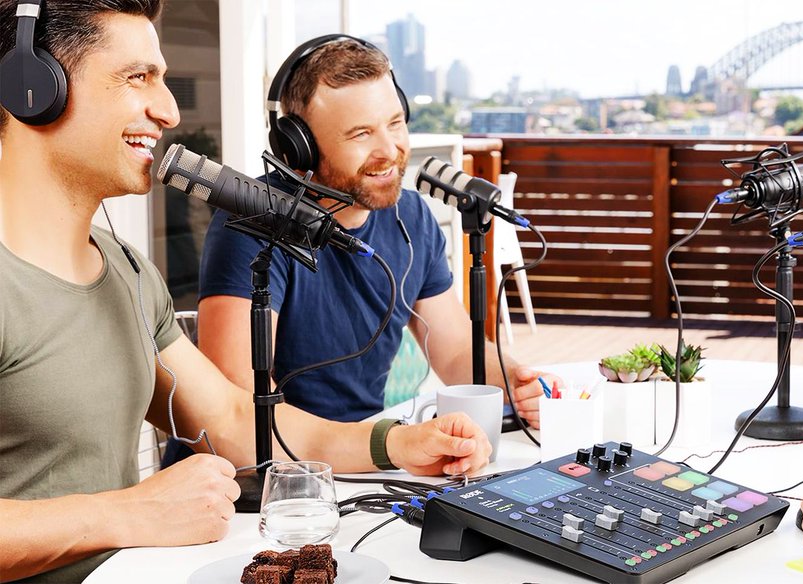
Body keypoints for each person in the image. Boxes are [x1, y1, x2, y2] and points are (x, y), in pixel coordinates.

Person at [0, 2, 492, 581]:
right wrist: (127, 513)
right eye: (137, 77)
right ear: (33, 88)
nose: (169, 110)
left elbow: (236, 420)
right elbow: (132, 512)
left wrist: (399, 444)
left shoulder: (129, 272)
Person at [190, 36, 553, 445]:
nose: (389, 150)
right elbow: (238, 406)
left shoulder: (412, 218)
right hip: (270, 467)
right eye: (361, 133)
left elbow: (454, 351)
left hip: (366, 454)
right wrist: (388, 447)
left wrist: (514, 381)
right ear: (299, 147)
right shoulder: (254, 221)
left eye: (395, 123)